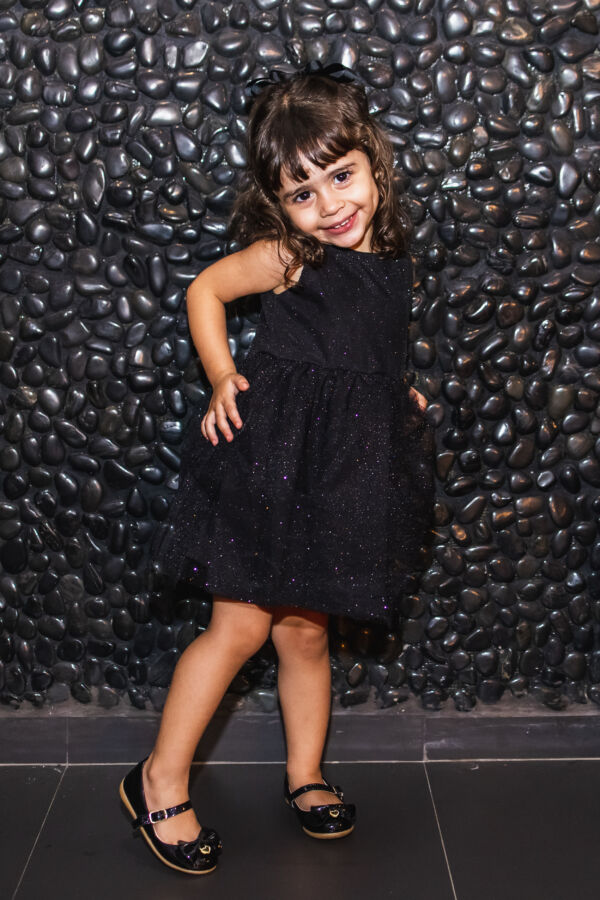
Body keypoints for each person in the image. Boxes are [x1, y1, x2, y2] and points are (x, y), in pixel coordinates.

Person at [119, 62, 435, 875]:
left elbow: (362, 349)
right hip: (273, 460)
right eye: (302, 193)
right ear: (277, 204)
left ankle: (304, 773)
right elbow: (205, 290)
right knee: (240, 627)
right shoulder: (292, 258)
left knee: (305, 630)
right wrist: (223, 375)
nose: (330, 205)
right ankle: (158, 780)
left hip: (341, 471)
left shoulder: (392, 258)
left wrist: (393, 394)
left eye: (341, 176)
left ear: (373, 162)